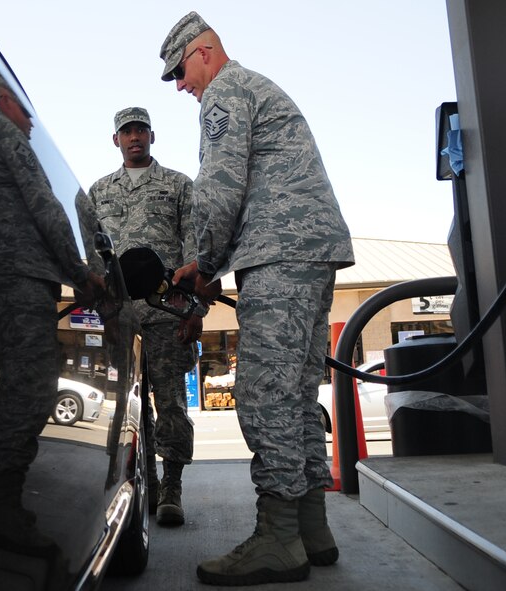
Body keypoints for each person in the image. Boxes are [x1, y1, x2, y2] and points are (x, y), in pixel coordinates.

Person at [159, 12, 355, 586]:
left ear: (204, 52)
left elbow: (218, 185)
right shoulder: (256, 86)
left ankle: (277, 539)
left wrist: (203, 263)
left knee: (263, 393)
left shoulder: (223, 93)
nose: (180, 86)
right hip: (308, 251)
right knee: (295, 396)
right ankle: (310, 529)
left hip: (278, 251)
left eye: (180, 71)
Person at [0, 67, 108, 556]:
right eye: (24, 108)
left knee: (14, 387)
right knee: (33, 386)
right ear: (4, 99)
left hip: (8, 267)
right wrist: (80, 273)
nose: (31, 122)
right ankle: (0, 508)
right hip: (17, 270)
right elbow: (47, 207)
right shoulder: (3, 131)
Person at [76, 107, 199, 527]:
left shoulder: (179, 185)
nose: (134, 138)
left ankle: (173, 486)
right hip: (121, 318)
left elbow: (196, 248)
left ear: (152, 136)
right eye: (126, 132)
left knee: (170, 402)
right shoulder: (98, 191)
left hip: (166, 312)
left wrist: (193, 309)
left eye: (140, 130)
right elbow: (91, 253)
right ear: (116, 140)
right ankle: (142, 482)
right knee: (128, 407)